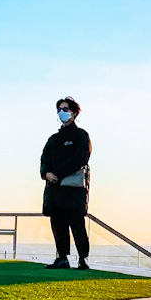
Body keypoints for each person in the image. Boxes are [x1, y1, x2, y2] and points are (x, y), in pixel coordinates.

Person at [40, 96, 91, 270]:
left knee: (77, 224)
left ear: (75, 113)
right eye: (59, 110)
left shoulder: (81, 136)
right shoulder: (53, 139)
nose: (62, 113)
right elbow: (44, 158)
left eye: (65, 109)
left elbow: (80, 158)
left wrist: (59, 173)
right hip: (55, 190)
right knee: (58, 224)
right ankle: (62, 258)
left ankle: (83, 258)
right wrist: (46, 173)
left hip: (74, 189)